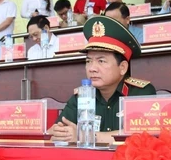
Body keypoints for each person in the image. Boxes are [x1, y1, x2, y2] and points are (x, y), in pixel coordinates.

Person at [50, 17, 156, 145]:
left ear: (122, 68)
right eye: (88, 61)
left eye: (101, 61)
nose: (92, 68)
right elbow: (53, 135)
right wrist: (60, 133)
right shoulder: (82, 96)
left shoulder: (140, 93)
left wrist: (85, 136)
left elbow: (143, 137)